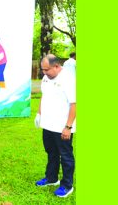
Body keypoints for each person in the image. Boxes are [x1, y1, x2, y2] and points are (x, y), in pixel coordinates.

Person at [34, 54, 76, 198]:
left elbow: (74, 104)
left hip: (62, 126)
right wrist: (39, 114)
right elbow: (44, 96)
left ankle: (67, 185)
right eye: (42, 70)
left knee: (65, 156)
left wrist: (68, 127)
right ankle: (52, 178)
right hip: (48, 124)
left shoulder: (68, 79)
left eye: (47, 70)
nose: (44, 73)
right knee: (51, 152)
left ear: (57, 66)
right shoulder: (47, 77)